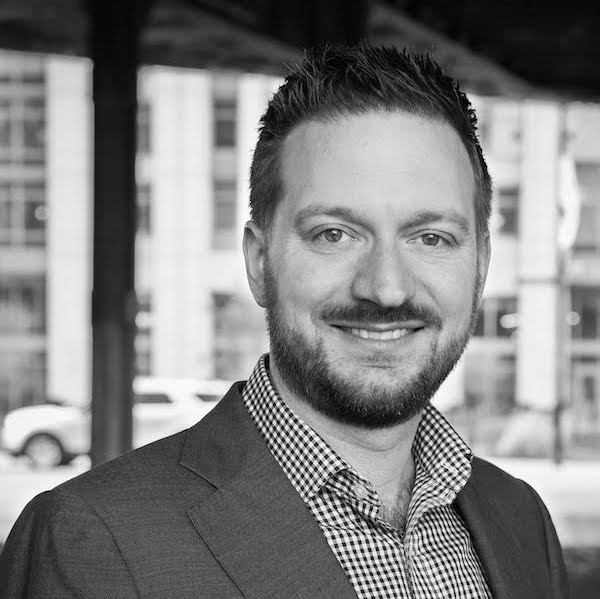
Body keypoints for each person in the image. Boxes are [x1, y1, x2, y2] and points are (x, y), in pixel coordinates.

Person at [0, 44, 568, 599]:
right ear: (258, 261)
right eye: (334, 234)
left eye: (431, 237)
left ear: (481, 264)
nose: (387, 287)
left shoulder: (519, 518)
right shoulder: (90, 539)